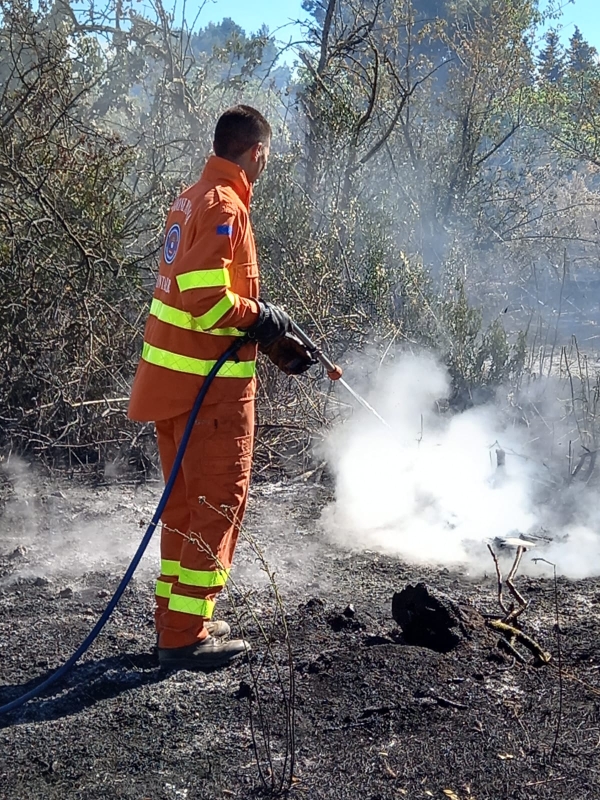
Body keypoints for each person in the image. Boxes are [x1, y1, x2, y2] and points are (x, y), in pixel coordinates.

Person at [128, 105, 314, 670]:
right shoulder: (223, 205)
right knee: (216, 507)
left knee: (186, 510)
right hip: (209, 398)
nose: (269, 162)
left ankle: (181, 623)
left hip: (179, 388)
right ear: (255, 151)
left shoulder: (192, 198)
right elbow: (205, 300)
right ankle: (186, 640)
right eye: (269, 153)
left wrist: (262, 324)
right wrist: (260, 316)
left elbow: (194, 292)